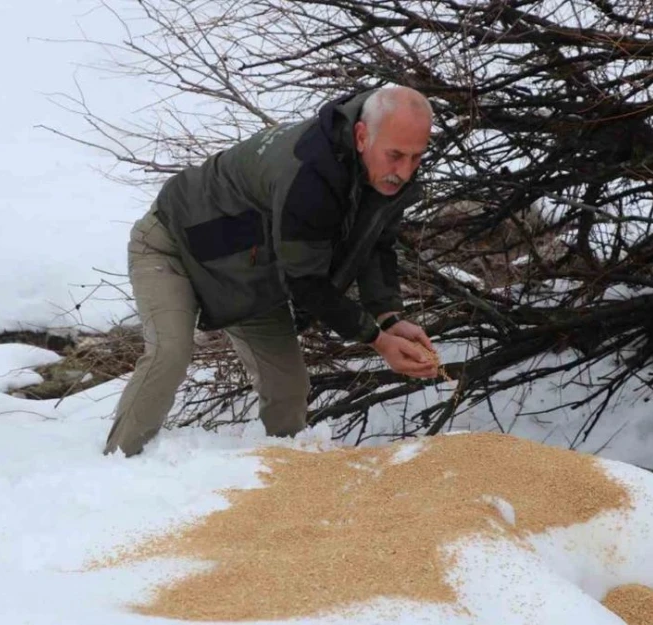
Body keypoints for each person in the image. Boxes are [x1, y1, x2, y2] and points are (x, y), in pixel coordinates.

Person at [103, 86, 440, 457]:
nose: (404, 171)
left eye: (416, 157)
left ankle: (288, 490)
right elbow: (306, 282)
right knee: (170, 354)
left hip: (246, 274)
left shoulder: (384, 174)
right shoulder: (309, 172)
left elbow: (377, 245)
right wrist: (376, 339)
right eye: (395, 156)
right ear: (362, 136)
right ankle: (117, 468)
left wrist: (388, 317)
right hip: (173, 246)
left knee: (289, 389)